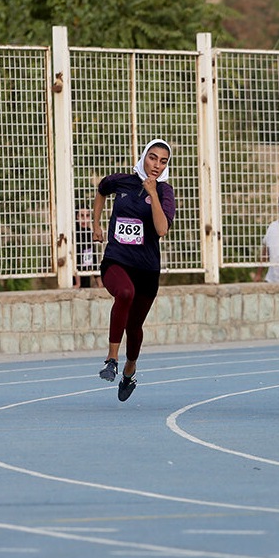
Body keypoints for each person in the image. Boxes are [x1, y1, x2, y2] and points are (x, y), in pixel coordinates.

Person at [92, 139, 175, 402]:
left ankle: (130, 370)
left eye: (163, 161)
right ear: (143, 157)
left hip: (147, 269)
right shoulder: (122, 181)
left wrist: (153, 193)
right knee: (124, 293)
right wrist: (96, 224)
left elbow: (162, 230)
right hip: (116, 259)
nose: (156, 165)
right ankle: (111, 359)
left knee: (135, 325)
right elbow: (101, 190)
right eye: (153, 158)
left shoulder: (165, 192)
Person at [74, 206, 102, 289]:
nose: (84, 219)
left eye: (87, 216)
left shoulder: (89, 233)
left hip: (85, 274)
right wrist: (78, 282)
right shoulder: (74, 233)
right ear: (76, 217)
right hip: (74, 277)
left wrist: (99, 282)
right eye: (81, 216)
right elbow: (75, 258)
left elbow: (92, 257)